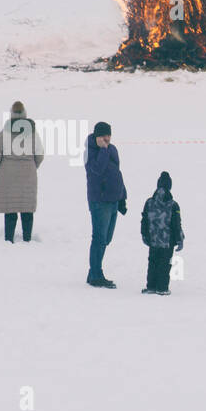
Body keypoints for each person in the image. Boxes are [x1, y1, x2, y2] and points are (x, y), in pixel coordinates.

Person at [0, 101, 45, 243]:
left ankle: (9, 239)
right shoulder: (33, 134)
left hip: (6, 176)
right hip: (28, 175)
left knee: (10, 209)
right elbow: (40, 154)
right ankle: (27, 239)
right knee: (27, 209)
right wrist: (32, 167)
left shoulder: (4, 134)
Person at [84, 121, 127, 288]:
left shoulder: (112, 149)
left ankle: (93, 271)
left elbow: (116, 172)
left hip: (113, 200)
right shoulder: (90, 152)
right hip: (99, 201)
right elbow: (97, 170)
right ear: (97, 136)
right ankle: (96, 274)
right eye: (103, 135)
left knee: (106, 238)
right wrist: (102, 149)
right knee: (99, 238)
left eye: (109, 135)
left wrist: (122, 196)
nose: (107, 138)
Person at [140, 171, 185, 294]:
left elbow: (144, 220)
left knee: (153, 262)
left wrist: (144, 234)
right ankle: (162, 288)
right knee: (165, 264)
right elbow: (176, 224)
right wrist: (180, 239)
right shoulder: (173, 205)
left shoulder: (149, 202)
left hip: (153, 240)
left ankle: (151, 286)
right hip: (167, 242)